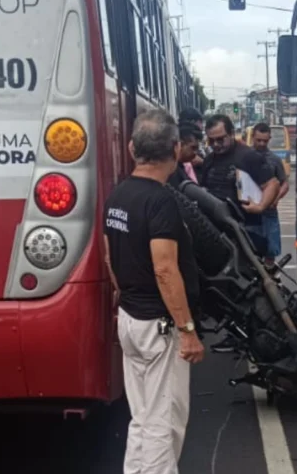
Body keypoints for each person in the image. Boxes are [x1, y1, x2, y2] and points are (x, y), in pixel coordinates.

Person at [102, 109, 205, 474]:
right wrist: (187, 330)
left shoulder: (117, 196)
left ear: (132, 148)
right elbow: (165, 268)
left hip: (131, 319)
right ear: (176, 149)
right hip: (159, 326)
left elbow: (109, 257)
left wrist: (126, 298)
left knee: (143, 417)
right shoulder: (161, 201)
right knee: (165, 421)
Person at [197, 114, 280, 236]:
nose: (215, 144)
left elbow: (273, 184)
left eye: (220, 139)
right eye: (211, 140)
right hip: (218, 229)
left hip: (247, 228)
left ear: (231, 134)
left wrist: (260, 206)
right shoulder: (209, 160)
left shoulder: (248, 156)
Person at [250, 123, 289, 267]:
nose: (261, 144)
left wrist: (276, 198)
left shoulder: (274, 160)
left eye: (265, 141)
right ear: (252, 137)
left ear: (269, 139)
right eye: (258, 140)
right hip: (249, 213)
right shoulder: (244, 157)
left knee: (270, 251)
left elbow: (284, 184)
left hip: (269, 212)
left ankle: (270, 275)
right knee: (250, 251)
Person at [169, 122, 203, 186]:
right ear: (180, 145)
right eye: (193, 148)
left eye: (197, 149)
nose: (195, 152)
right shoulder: (170, 170)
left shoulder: (179, 166)